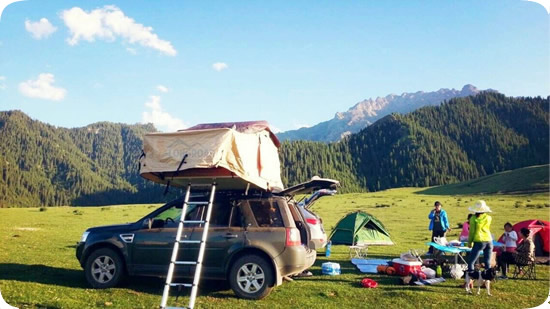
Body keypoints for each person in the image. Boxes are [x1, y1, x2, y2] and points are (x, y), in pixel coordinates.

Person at [467, 200, 493, 272]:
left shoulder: (473, 218)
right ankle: (487, 280)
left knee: (471, 261)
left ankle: (470, 279)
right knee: (487, 262)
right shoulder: (488, 218)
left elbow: (472, 232)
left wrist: (470, 242)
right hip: (489, 240)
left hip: (479, 240)